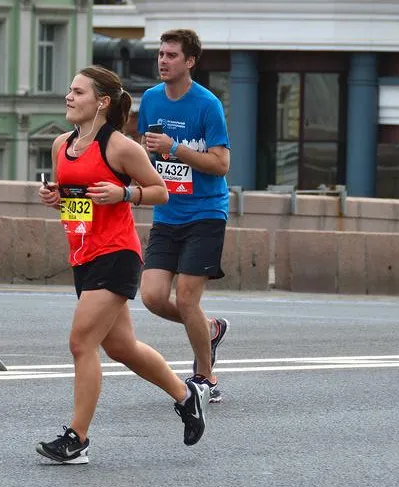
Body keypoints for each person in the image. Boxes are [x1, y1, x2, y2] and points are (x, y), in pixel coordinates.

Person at [35, 65, 211, 465]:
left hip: (116, 254)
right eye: (69, 89)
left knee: (81, 342)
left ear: (101, 102)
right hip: (82, 252)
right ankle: (187, 397)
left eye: (78, 92)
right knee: (122, 347)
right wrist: (56, 196)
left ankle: (76, 438)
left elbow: (160, 192)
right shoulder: (61, 144)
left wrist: (124, 193)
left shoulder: (119, 147)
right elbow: (74, 198)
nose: (69, 97)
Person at [136, 29, 231, 401]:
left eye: (172, 55)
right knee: (153, 296)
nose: (163, 60)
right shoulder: (151, 100)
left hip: (206, 212)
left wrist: (175, 148)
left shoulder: (207, 105)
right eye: (160, 54)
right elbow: (148, 156)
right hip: (167, 213)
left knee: (187, 298)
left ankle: (206, 378)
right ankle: (208, 329)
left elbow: (221, 164)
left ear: (190, 62)